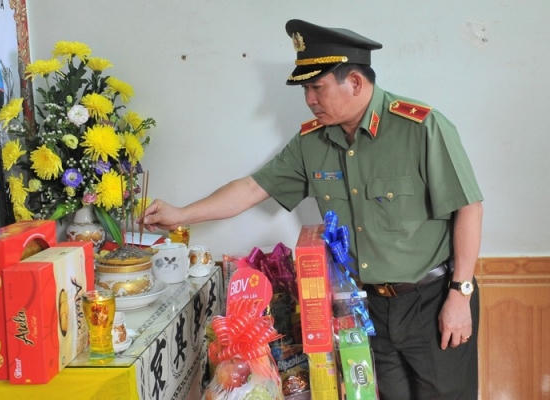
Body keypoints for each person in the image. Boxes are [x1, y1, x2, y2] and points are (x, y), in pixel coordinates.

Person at [140, 19, 483, 399]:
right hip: (367, 309)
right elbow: (252, 189)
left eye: (317, 88)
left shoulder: (421, 128)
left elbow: (468, 207)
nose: (309, 99)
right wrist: (181, 214)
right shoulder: (312, 143)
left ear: (355, 83)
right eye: (305, 89)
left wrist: (460, 294)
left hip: (432, 299)